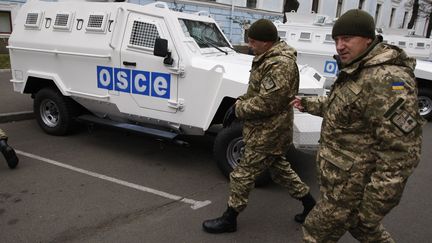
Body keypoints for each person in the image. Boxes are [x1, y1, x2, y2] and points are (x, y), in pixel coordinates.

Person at [292, 9, 425, 242]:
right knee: (367, 233)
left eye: (347, 39)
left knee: (314, 232)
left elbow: (401, 152)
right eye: (336, 40)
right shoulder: (358, 69)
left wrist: (373, 208)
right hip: (340, 182)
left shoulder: (387, 78)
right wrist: (307, 103)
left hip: (352, 190)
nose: (340, 46)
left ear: (368, 38)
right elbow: (344, 110)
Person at [202, 19, 316, 234]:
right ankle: (310, 204)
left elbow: (269, 102)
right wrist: (238, 101)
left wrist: (239, 110)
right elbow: (257, 91)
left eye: (253, 42)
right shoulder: (267, 58)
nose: (250, 45)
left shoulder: (280, 64)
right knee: (281, 170)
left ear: (267, 42)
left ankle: (230, 218)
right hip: (266, 129)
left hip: (268, 131)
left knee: (241, 174)